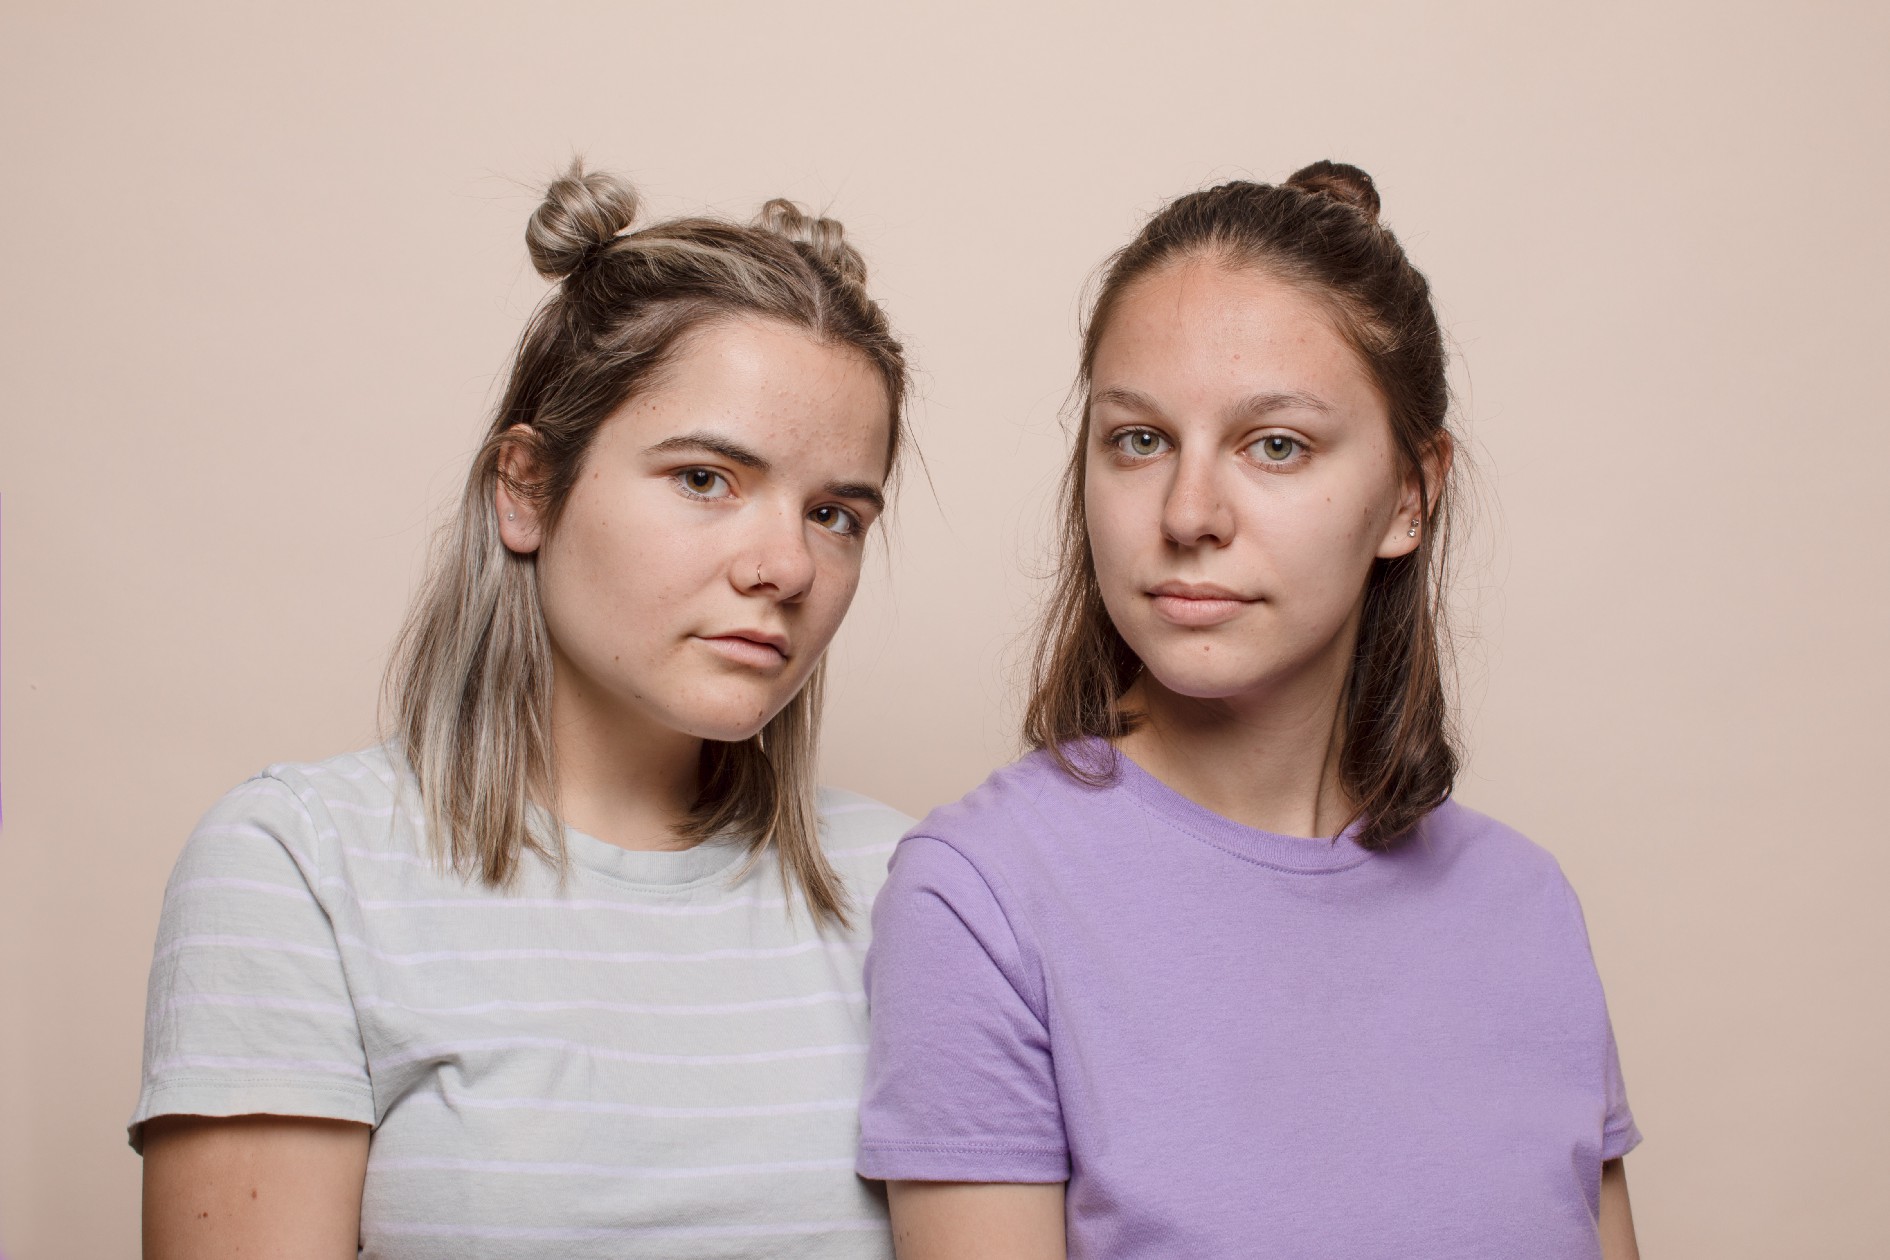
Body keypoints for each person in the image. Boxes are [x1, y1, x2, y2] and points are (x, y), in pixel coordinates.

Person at [858, 162, 1642, 1259]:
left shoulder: (1526, 906)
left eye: (1276, 444)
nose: (1188, 513)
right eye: (1139, 439)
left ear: (1408, 498)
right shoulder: (980, 898)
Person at [134, 162, 913, 1259]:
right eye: (705, 479)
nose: (785, 565)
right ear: (526, 488)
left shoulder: (910, 887)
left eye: (835, 513)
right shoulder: (301, 867)